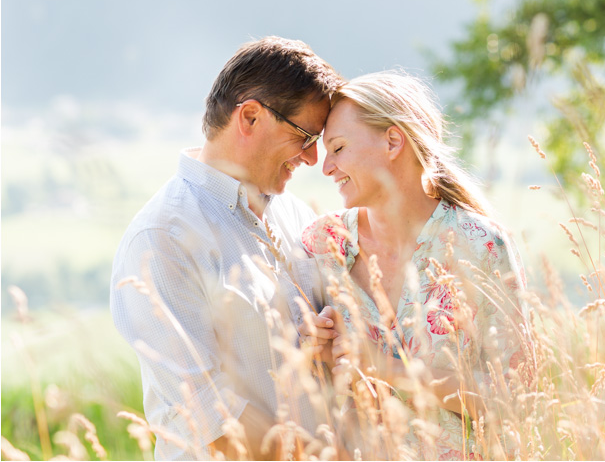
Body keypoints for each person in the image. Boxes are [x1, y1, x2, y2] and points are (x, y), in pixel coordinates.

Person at [110, 36, 342, 460]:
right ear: (250, 117)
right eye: (305, 136)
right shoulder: (162, 239)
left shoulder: (298, 217)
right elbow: (208, 415)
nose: (312, 159)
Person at [299, 71, 528, 460]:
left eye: (337, 148)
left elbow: (515, 401)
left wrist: (385, 366)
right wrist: (312, 347)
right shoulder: (322, 245)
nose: (326, 168)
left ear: (393, 141)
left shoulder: (480, 246)